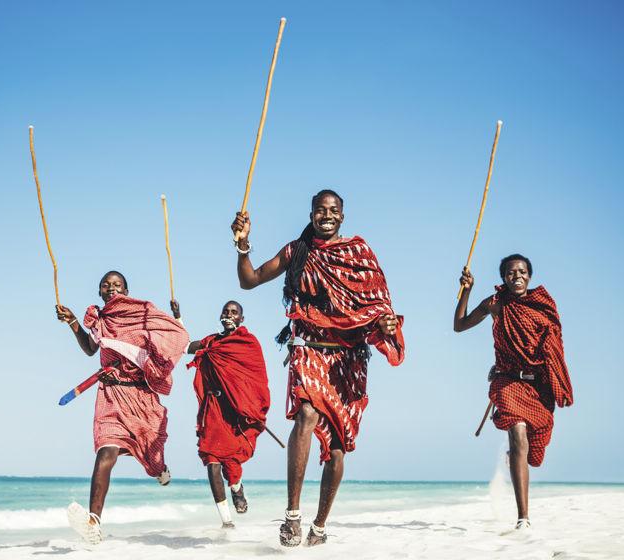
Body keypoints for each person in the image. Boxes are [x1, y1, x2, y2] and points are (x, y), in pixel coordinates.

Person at [230, 189, 405, 546]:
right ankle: (292, 516)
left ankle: (319, 527)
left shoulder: (359, 253)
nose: (326, 215)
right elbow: (249, 280)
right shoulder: (297, 251)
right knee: (306, 414)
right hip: (307, 348)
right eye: (320, 210)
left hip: (347, 360)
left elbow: (377, 306)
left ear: (342, 215)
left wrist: (385, 325)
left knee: (338, 447)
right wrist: (243, 245)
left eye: (333, 210)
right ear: (311, 215)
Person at [55, 270, 189, 544]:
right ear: (100, 292)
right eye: (106, 285)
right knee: (106, 451)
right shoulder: (100, 321)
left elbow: (174, 339)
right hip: (111, 396)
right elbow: (91, 349)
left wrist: (178, 319)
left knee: (151, 457)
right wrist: (72, 322)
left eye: (117, 285)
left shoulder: (142, 316)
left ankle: (158, 468)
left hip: (141, 397)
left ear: (126, 291)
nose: (111, 288)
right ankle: (94, 522)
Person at [453, 254, 573, 530]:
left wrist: (557, 378)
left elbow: (555, 348)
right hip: (508, 382)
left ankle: (515, 457)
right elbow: (459, 326)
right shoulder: (496, 304)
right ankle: (523, 518)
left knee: (534, 454)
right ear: (503, 278)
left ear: (529, 276)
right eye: (510, 273)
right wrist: (466, 291)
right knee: (518, 436)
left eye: (521, 272)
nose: (516, 276)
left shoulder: (543, 305)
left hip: (539, 386)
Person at [171, 299, 270, 528]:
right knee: (212, 462)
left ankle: (236, 487)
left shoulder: (248, 343)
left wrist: (249, 405)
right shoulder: (210, 342)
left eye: (234, 312)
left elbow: (257, 379)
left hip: (234, 412)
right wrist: (177, 317)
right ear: (220, 315)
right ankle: (227, 521)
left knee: (231, 464)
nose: (229, 314)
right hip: (213, 410)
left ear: (241, 319)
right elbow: (184, 347)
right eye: (226, 311)